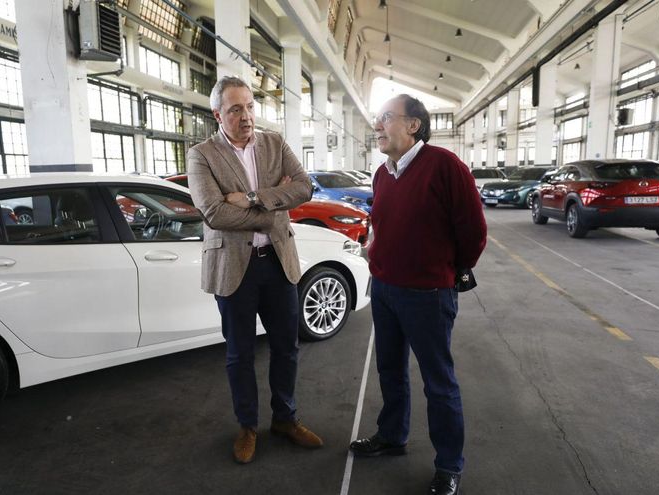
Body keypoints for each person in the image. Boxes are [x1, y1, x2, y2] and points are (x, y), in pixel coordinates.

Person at [349, 94, 486, 495]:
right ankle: (392, 436)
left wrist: (445, 270)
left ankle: (449, 465)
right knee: (389, 371)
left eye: (386, 118)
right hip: (387, 290)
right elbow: (382, 223)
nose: (378, 125)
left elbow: (473, 233)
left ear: (413, 125)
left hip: (428, 294)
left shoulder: (445, 167)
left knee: (438, 382)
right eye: (377, 119)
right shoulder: (381, 172)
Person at [187, 76, 323, 464]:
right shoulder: (202, 155)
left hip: (278, 265)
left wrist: (250, 198)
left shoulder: (274, 143)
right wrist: (271, 216)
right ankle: (247, 426)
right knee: (239, 354)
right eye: (235, 109)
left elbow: (304, 188)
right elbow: (214, 213)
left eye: (249, 106)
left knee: (286, 347)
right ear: (218, 114)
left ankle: (285, 419)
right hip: (235, 268)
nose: (246, 116)